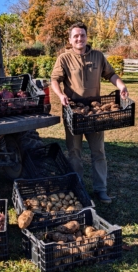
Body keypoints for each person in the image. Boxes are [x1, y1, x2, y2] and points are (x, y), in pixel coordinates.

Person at [50, 22, 129, 204]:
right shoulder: (64, 58)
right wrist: (61, 95)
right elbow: (55, 79)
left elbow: (111, 75)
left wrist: (122, 85)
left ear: (87, 37)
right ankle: (78, 189)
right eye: (75, 36)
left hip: (94, 111)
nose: (79, 38)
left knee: (98, 151)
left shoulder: (98, 56)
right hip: (74, 112)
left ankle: (101, 190)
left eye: (82, 35)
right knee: (75, 152)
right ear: (70, 40)